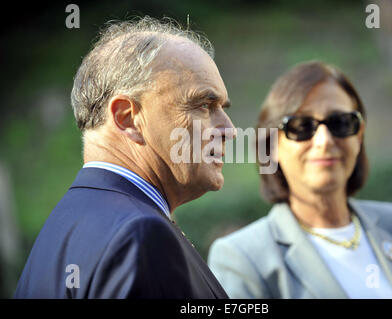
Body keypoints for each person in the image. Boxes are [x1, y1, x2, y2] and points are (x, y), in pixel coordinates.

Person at [14, 17, 234, 298]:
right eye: (204, 105)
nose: (229, 130)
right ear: (128, 118)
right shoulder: (140, 235)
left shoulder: (66, 222)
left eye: (222, 108)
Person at [208, 61, 392, 299]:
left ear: (359, 135)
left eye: (340, 123)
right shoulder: (243, 258)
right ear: (272, 145)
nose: (324, 140)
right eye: (301, 126)